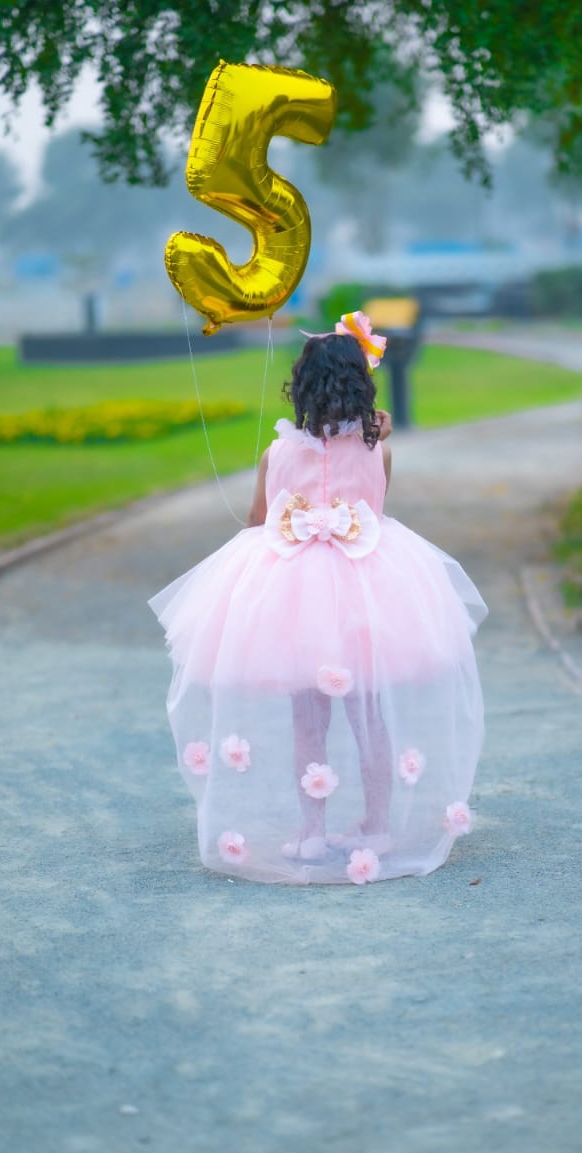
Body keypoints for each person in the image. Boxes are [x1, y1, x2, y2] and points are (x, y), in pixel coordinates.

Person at [149, 311, 486, 885]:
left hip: (292, 601)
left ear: (301, 389)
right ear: (362, 384)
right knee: (368, 715)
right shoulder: (379, 450)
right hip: (368, 591)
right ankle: (378, 825)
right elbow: (373, 514)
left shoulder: (275, 456)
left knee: (308, 719)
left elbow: (260, 520)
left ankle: (311, 833)